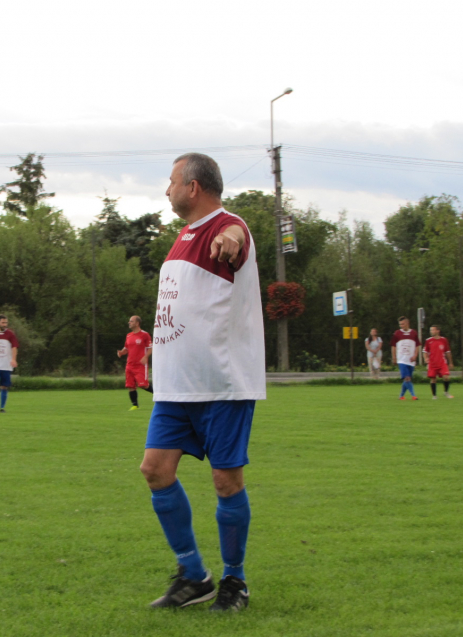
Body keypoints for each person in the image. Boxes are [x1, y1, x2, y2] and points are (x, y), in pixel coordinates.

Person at [140, 153, 265, 613]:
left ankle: (236, 581)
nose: (166, 189)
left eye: (171, 181)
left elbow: (237, 235)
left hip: (221, 382)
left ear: (193, 187)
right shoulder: (183, 238)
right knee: (155, 471)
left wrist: (232, 238)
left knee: (226, 481)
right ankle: (194, 575)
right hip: (176, 386)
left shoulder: (228, 226)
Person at [117, 315, 153, 411]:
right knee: (130, 385)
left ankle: (158, 395)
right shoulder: (128, 335)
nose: (129, 322)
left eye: (131, 321)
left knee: (143, 385)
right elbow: (126, 348)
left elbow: (151, 348)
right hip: (129, 365)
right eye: (129, 321)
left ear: (137, 323)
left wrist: (145, 357)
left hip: (140, 365)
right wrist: (121, 352)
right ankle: (135, 405)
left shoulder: (145, 335)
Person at [390, 316, 420, 400]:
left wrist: (415, 355)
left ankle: (401, 396)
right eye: (400, 324)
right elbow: (393, 346)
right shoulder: (397, 333)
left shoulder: (414, 333)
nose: (401, 326)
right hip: (401, 360)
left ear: (407, 323)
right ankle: (413, 395)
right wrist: (394, 357)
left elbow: (417, 345)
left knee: (407, 379)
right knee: (407, 378)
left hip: (411, 360)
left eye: (403, 324)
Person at [423, 325, 454, 399]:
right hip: (432, 363)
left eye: (433, 330)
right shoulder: (428, 341)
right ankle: (434, 395)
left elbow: (448, 352)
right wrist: (426, 358)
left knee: (446, 377)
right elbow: (425, 351)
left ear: (438, 331)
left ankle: (446, 392)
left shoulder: (443, 340)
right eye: (431, 330)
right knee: (433, 379)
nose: (431, 332)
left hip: (442, 363)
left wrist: (450, 363)